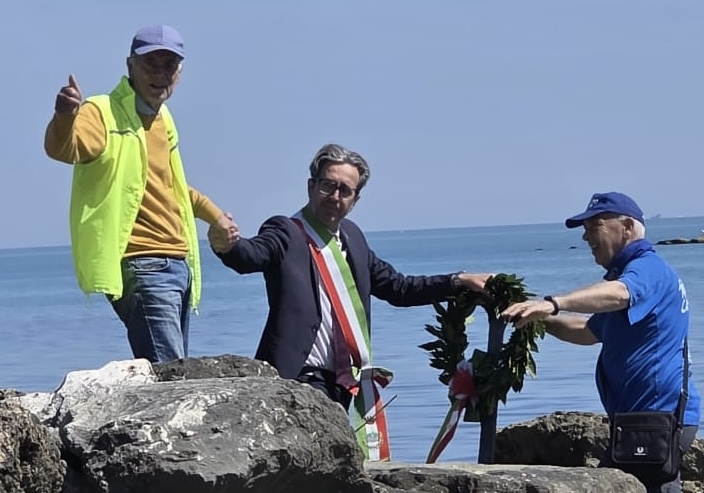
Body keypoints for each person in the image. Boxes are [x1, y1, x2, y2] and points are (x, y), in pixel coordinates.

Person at [208, 142, 490, 411]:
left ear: (355, 199)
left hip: (347, 383)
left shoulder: (353, 238)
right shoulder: (286, 231)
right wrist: (227, 243)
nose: (335, 196)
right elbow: (250, 256)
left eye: (345, 190)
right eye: (328, 185)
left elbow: (399, 288)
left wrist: (457, 281)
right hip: (298, 377)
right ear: (311, 186)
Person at [500, 191, 702, 493]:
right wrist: (535, 317)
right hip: (640, 420)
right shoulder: (630, 276)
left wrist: (553, 303)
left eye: (595, 225)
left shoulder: (647, 269)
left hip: (657, 419)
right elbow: (588, 331)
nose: (585, 235)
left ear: (626, 227)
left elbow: (620, 293)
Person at [44, 24, 239, 363]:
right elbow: (65, 148)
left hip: (179, 265)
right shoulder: (101, 111)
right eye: (151, 64)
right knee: (170, 378)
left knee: (174, 373)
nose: (161, 74)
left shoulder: (163, 119)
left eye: (170, 66)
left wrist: (216, 216)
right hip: (143, 264)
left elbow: (171, 187)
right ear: (130, 65)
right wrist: (65, 116)